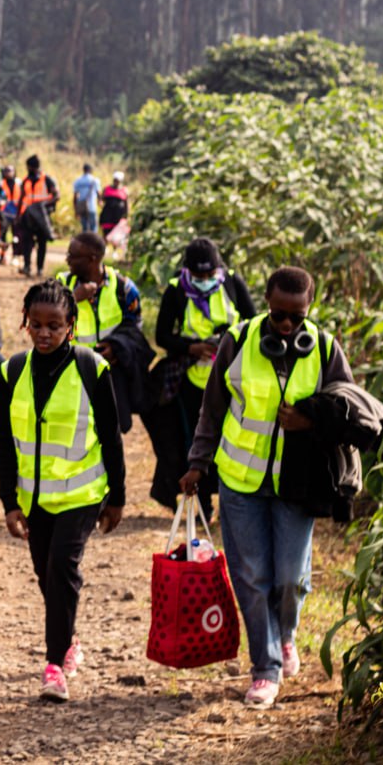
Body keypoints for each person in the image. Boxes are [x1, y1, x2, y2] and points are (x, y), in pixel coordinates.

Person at [179, 266, 354, 710]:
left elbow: (352, 412)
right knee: (253, 578)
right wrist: (198, 463)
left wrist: (311, 419)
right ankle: (265, 668)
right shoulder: (236, 342)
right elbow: (212, 409)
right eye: (279, 316)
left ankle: (286, 634)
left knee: (290, 580)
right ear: (267, 304)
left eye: (297, 318)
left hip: (298, 483)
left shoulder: (327, 349)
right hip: (240, 480)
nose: (287, 326)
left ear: (310, 310)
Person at [0, 280, 125, 703]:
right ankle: (67, 639)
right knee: (45, 575)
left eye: (55, 325)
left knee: (62, 569)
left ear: (72, 325)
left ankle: (54, 666)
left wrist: (118, 496)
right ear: (25, 324)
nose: (45, 333)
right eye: (36, 325)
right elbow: (3, 443)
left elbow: (111, 436)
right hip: (34, 500)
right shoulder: (12, 371)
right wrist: (9, 502)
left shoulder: (92, 369)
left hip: (83, 495)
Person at [151, 238, 256, 516]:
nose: (206, 281)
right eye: (199, 276)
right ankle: (203, 503)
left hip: (232, 380)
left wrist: (226, 344)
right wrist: (191, 347)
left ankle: (231, 501)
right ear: (188, 271)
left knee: (230, 439)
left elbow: (255, 324)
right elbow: (162, 336)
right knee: (195, 441)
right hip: (191, 380)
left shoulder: (233, 284)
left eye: (210, 275)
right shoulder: (175, 291)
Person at [54, 232, 151, 432]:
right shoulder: (62, 284)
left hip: (109, 376)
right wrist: (73, 298)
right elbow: (45, 323)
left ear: (92, 259)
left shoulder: (124, 288)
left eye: (73, 256)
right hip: (71, 374)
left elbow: (135, 330)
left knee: (110, 431)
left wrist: (116, 348)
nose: (67, 260)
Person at [16, 155, 59, 277]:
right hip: (28, 218)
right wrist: (18, 215)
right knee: (27, 243)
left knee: (42, 243)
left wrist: (42, 205)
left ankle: (40, 268)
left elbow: (56, 196)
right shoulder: (26, 181)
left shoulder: (47, 179)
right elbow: (21, 198)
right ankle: (27, 267)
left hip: (42, 217)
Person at [72, 163, 102, 234]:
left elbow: (75, 196)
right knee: (93, 227)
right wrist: (100, 201)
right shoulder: (95, 180)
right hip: (92, 206)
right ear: (91, 170)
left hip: (82, 206)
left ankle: (86, 243)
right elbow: (98, 193)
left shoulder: (78, 181)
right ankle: (93, 243)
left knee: (84, 227)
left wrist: (76, 209)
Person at [99, 172, 129, 238]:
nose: (116, 182)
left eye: (117, 181)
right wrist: (100, 202)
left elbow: (126, 204)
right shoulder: (107, 189)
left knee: (117, 234)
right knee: (106, 232)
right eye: (115, 180)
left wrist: (126, 215)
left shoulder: (124, 190)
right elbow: (101, 199)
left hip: (118, 215)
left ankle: (115, 247)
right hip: (108, 214)